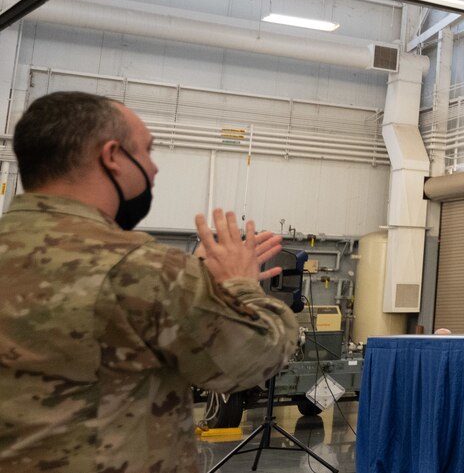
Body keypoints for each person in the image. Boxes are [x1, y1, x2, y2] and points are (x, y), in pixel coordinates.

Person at [0, 91, 301, 473]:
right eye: (146, 151)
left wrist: (192, 281)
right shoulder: (143, 268)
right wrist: (238, 285)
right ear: (111, 156)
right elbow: (254, 359)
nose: (153, 168)